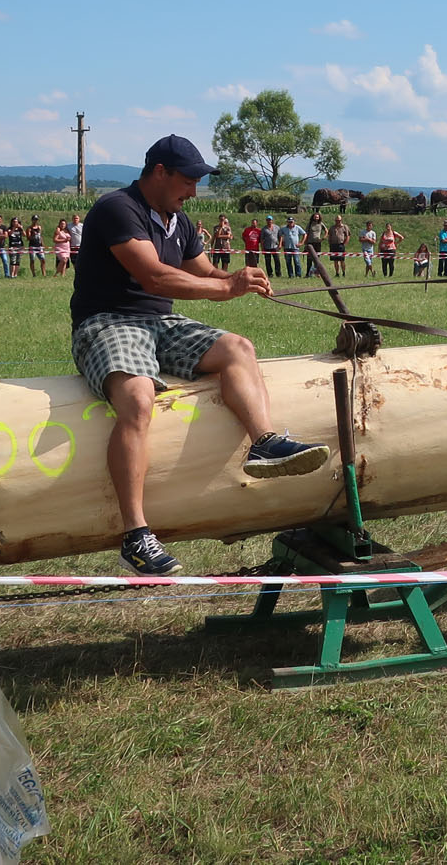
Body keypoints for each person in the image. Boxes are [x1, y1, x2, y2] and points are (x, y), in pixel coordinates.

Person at [69, 134, 330, 576]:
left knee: (237, 347)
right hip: (107, 322)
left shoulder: (179, 221)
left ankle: (264, 443)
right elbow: (154, 278)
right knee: (136, 396)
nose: (193, 190)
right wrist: (227, 288)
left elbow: (204, 271)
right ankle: (136, 536)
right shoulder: (118, 209)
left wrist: (237, 277)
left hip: (160, 324)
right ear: (159, 173)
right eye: (188, 180)